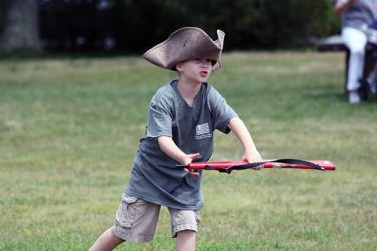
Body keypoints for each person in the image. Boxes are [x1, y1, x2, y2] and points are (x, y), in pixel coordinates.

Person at [88, 27, 262, 251]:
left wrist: (251, 150)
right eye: (198, 60)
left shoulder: (210, 95)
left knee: (187, 226)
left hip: (186, 177)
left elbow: (233, 120)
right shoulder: (164, 98)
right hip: (152, 174)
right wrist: (183, 157)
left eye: (209, 61)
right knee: (124, 230)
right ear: (179, 65)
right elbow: (163, 139)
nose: (205, 65)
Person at [334, 0, 377, 103]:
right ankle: (353, 90)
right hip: (353, 28)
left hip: (373, 29)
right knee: (357, 49)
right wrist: (350, 1)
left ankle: (371, 81)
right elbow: (337, 11)